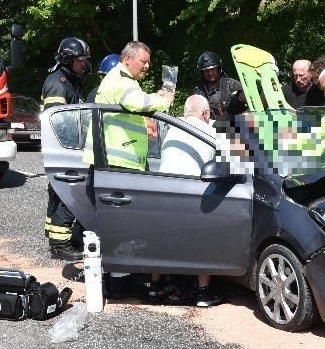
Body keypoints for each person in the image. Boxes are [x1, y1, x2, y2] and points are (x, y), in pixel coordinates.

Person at [155, 94, 222, 307]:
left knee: (161, 239)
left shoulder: (171, 128)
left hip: (162, 191)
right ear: (205, 113)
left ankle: (154, 287)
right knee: (205, 239)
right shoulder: (210, 131)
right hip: (191, 193)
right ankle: (203, 293)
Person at [85, 41, 173, 170]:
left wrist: (155, 97)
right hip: (118, 162)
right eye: (143, 61)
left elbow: (134, 100)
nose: (147, 66)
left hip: (116, 160)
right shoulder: (122, 80)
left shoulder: (121, 78)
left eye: (148, 62)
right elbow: (137, 102)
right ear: (127, 59)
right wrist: (165, 101)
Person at [41, 37, 91, 261]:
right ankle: (59, 244)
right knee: (70, 194)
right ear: (68, 60)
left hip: (69, 148)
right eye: (81, 60)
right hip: (65, 149)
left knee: (58, 193)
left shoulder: (70, 81)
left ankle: (55, 236)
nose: (84, 64)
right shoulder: (58, 83)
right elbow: (56, 122)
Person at [193, 51, 246, 120]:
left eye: (213, 69)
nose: (210, 73)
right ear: (202, 72)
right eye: (206, 71)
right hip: (205, 128)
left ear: (218, 69)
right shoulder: (198, 91)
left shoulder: (233, 85)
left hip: (233, 127)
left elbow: (249, 112)